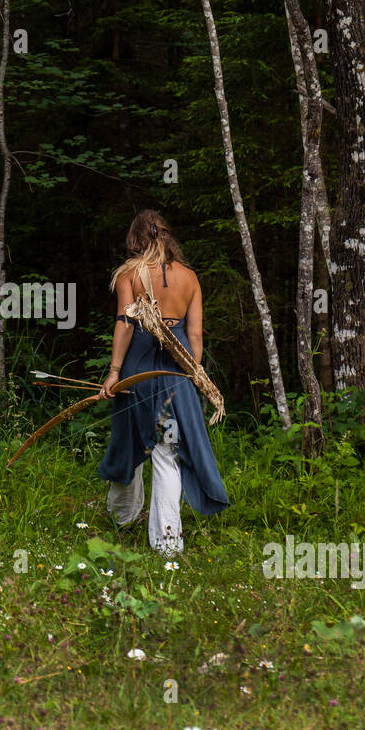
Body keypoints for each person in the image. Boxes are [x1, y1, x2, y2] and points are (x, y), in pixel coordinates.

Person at [97, 210, 229, 556]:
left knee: (129, 441)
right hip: (174, 376)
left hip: (137, 374)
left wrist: (114, 372)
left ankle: (122, 518)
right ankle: (168, 544)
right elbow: (195, 335)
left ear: (135, 239)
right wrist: (191, 374)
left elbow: (126, 324)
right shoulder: (190, 277)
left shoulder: (129, 274)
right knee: (167, 453)